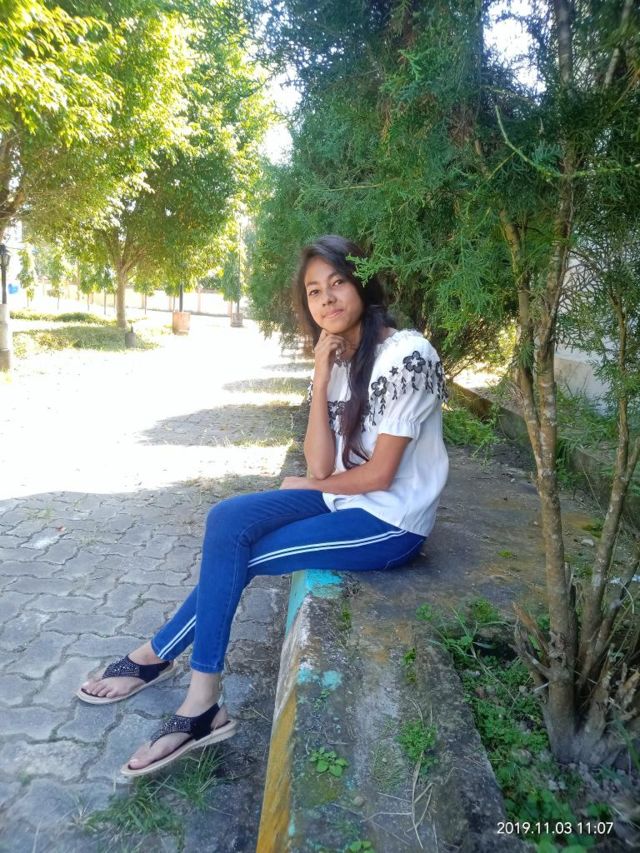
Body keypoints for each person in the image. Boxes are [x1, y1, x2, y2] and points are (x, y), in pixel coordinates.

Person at [76, 234, 449, 777]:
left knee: (245, 557)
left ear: (364, 283)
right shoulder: (338, 355)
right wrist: (320, 374)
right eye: (314, 290)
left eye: (338, 282)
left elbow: (380, 475)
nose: (327, 298)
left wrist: (309, 487)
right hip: (344, 499)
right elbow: (321, 464)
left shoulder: (407, 355)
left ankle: (193, 696)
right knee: (226, 520)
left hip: (390, 521)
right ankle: (167, 666)